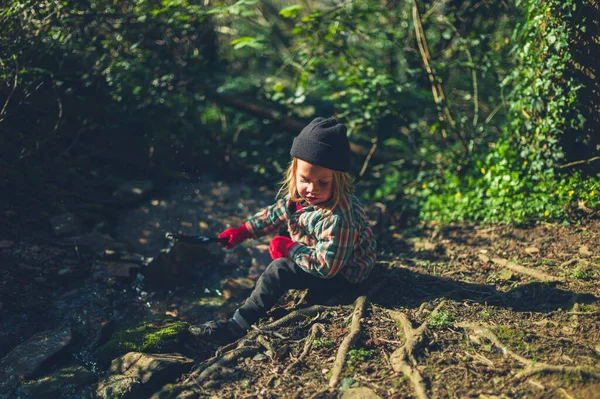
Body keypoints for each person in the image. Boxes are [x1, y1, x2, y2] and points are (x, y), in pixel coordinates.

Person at [189, 117, 377, 344]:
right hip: (327, 256)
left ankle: (238, 323)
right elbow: (275, 213)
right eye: (305, 179)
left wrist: (290, 249)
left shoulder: (339, 217)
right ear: (294, 173)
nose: (311, 189)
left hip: (342, 275)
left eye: (323, 183)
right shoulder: (302, 198)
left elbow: (327, 267)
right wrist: (243, 231)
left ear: (338, 181)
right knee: (289, 230)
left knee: (279, 269)